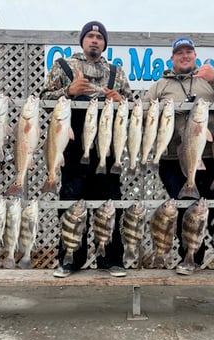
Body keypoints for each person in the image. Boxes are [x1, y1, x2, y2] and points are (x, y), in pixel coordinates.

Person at [40, 21, 134, 278]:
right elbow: (45, 102)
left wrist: (120, 100)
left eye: (99, 37)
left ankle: (111, 259)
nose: (94, 40)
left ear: (104, 43)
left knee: (110, 203)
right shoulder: (63, 66)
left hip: (106, 150)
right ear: (82, 40)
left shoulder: (117, 72)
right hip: (71, 149)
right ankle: (70, 260)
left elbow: (132, 107)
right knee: (71, 204)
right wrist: (68, 91)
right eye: (90, 36)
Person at [144, 37, 214, 275]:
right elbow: (143, 111)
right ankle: (190, 258)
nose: (185, 56)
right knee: (187, 208)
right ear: (172, 58)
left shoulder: (209, 80)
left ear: (195, 55)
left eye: (189, 51)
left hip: (213, 157)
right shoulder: (160, 85)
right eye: (180, 53)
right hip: (174, 159)